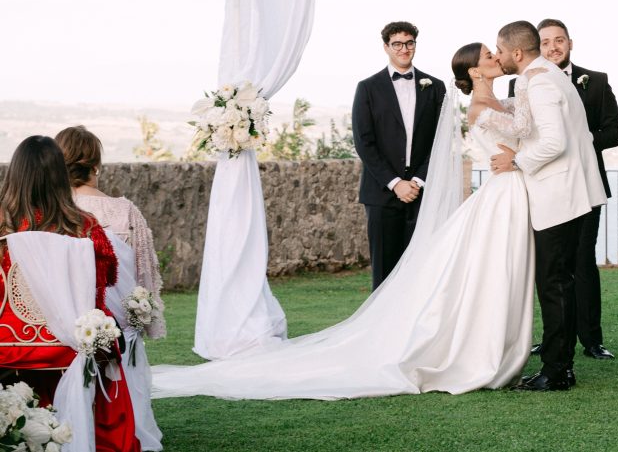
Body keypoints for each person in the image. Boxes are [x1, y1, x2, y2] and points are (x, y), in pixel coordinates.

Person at [151, 43, 536, 400]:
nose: (496, 57)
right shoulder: (479, 108)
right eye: (489, 54)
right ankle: (476, 351)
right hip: (497, 193)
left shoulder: (497, 101)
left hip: (505, 192)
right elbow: (522, 134)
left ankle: (491, 343)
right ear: (475, 71)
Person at [0, 136, 141, 452]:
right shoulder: (84, 226)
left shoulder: (3, 225)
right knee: (106, 342)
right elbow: (104, 282)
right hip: (68, 342)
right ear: (59, 176)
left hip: (8, 343)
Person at [491, 20, 607, 391]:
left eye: (501, 50)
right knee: (560, 282)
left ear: (517, 52)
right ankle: (561, 365)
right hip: (568, 194)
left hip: (559, 196)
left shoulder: (540, 81)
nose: (499, 56)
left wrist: (516, 160)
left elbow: (555, 142)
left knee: (554, 284)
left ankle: (556, 371)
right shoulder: (546, 75)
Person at [511, 18, 618, 361]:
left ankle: (591, 339)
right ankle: (554, 339)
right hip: (548, 188)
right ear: (537, 46)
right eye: (546, 42)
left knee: (582, 262)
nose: (553, 47)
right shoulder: (524, 81)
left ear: (570, 43)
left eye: (559, 40)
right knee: (552, 268)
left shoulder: (595, 81)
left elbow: (615, 132)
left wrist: (581, 138)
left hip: (585, 184)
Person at [352, 21, 446, 289]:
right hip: (381, 195)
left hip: (422, 194)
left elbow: (440, 140)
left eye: (409, 43)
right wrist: (396, 183)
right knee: (384, 273)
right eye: (397, 44)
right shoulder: (367, 88)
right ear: (386, 47)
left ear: (415, 44)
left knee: (422, 271)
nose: (404, 49)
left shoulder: (435, 86)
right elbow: (364, 142)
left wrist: (417, 181)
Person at [55, 125, 165, 339]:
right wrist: (146, 320)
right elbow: (144, 272)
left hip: (64, 323)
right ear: (95, 166)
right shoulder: (126, 211)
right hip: (119, 325)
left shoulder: (51, 211)